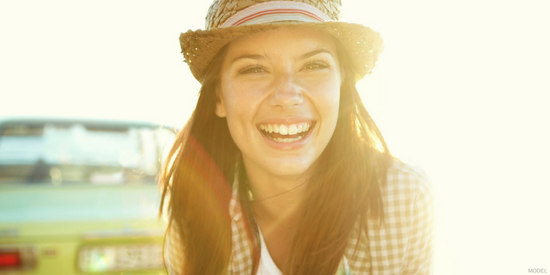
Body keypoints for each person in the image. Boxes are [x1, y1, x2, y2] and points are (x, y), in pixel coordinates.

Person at [160, 0, 435, 274]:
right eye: (254, 69)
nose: (287, 97)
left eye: (314, 65)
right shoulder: (191, 214)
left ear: (341, 85)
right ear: (219, 96)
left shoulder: (404, 198)